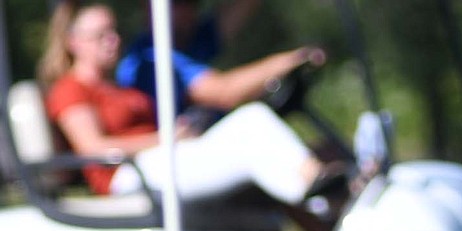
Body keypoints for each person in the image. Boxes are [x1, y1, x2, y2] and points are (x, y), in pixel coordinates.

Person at [38, 2, 345, 210]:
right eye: (101, 35)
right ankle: (315, 189)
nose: (113, 40)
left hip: (156, 160)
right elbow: (94, 149)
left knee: (250, 123)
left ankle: (319, 188)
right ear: (74, 42)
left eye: (114, 32)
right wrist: (169, 138)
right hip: (127, 177)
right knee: (251, 122)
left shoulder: (116, 85)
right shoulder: (70, 90)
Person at [116, 0, 323, 123]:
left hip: (210, 144)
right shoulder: (148, 59)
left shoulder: (189, 40)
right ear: (149, 8)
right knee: (254, 118)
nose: (189, 9)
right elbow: (225, 92)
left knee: (327, 154)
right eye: (178, 2)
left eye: (192, 1)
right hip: (177, 159)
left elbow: (237, 12)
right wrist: (293, 60)